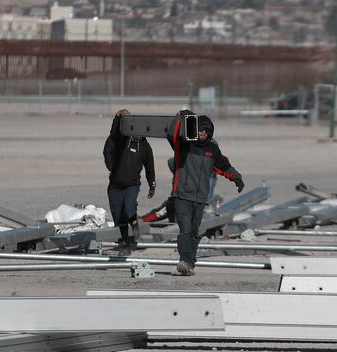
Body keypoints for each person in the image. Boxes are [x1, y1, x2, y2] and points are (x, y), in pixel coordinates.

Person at [167, 111, 244, 275]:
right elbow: (171, 134)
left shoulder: (212, 149)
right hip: (181, 195)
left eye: (206, 130)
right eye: (200, 129)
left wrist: (237, 178)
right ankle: (184, 261)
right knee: (185, 229)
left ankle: (190, 263)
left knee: (195, 231)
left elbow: (224, 166)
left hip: (201, 198)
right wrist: (179, 118)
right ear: (195, 129)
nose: (203, 133)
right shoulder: (185, 145)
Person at [103, 109, 156, 256]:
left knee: (129, 209)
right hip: (115, 185)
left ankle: (134, 230)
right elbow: (112, 137)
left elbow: (149, 167)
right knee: (118, 216)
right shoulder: (123, 140)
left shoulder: (145, 146)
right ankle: (125, 242)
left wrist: (152, 185)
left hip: (132, 185)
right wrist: (117, 117)